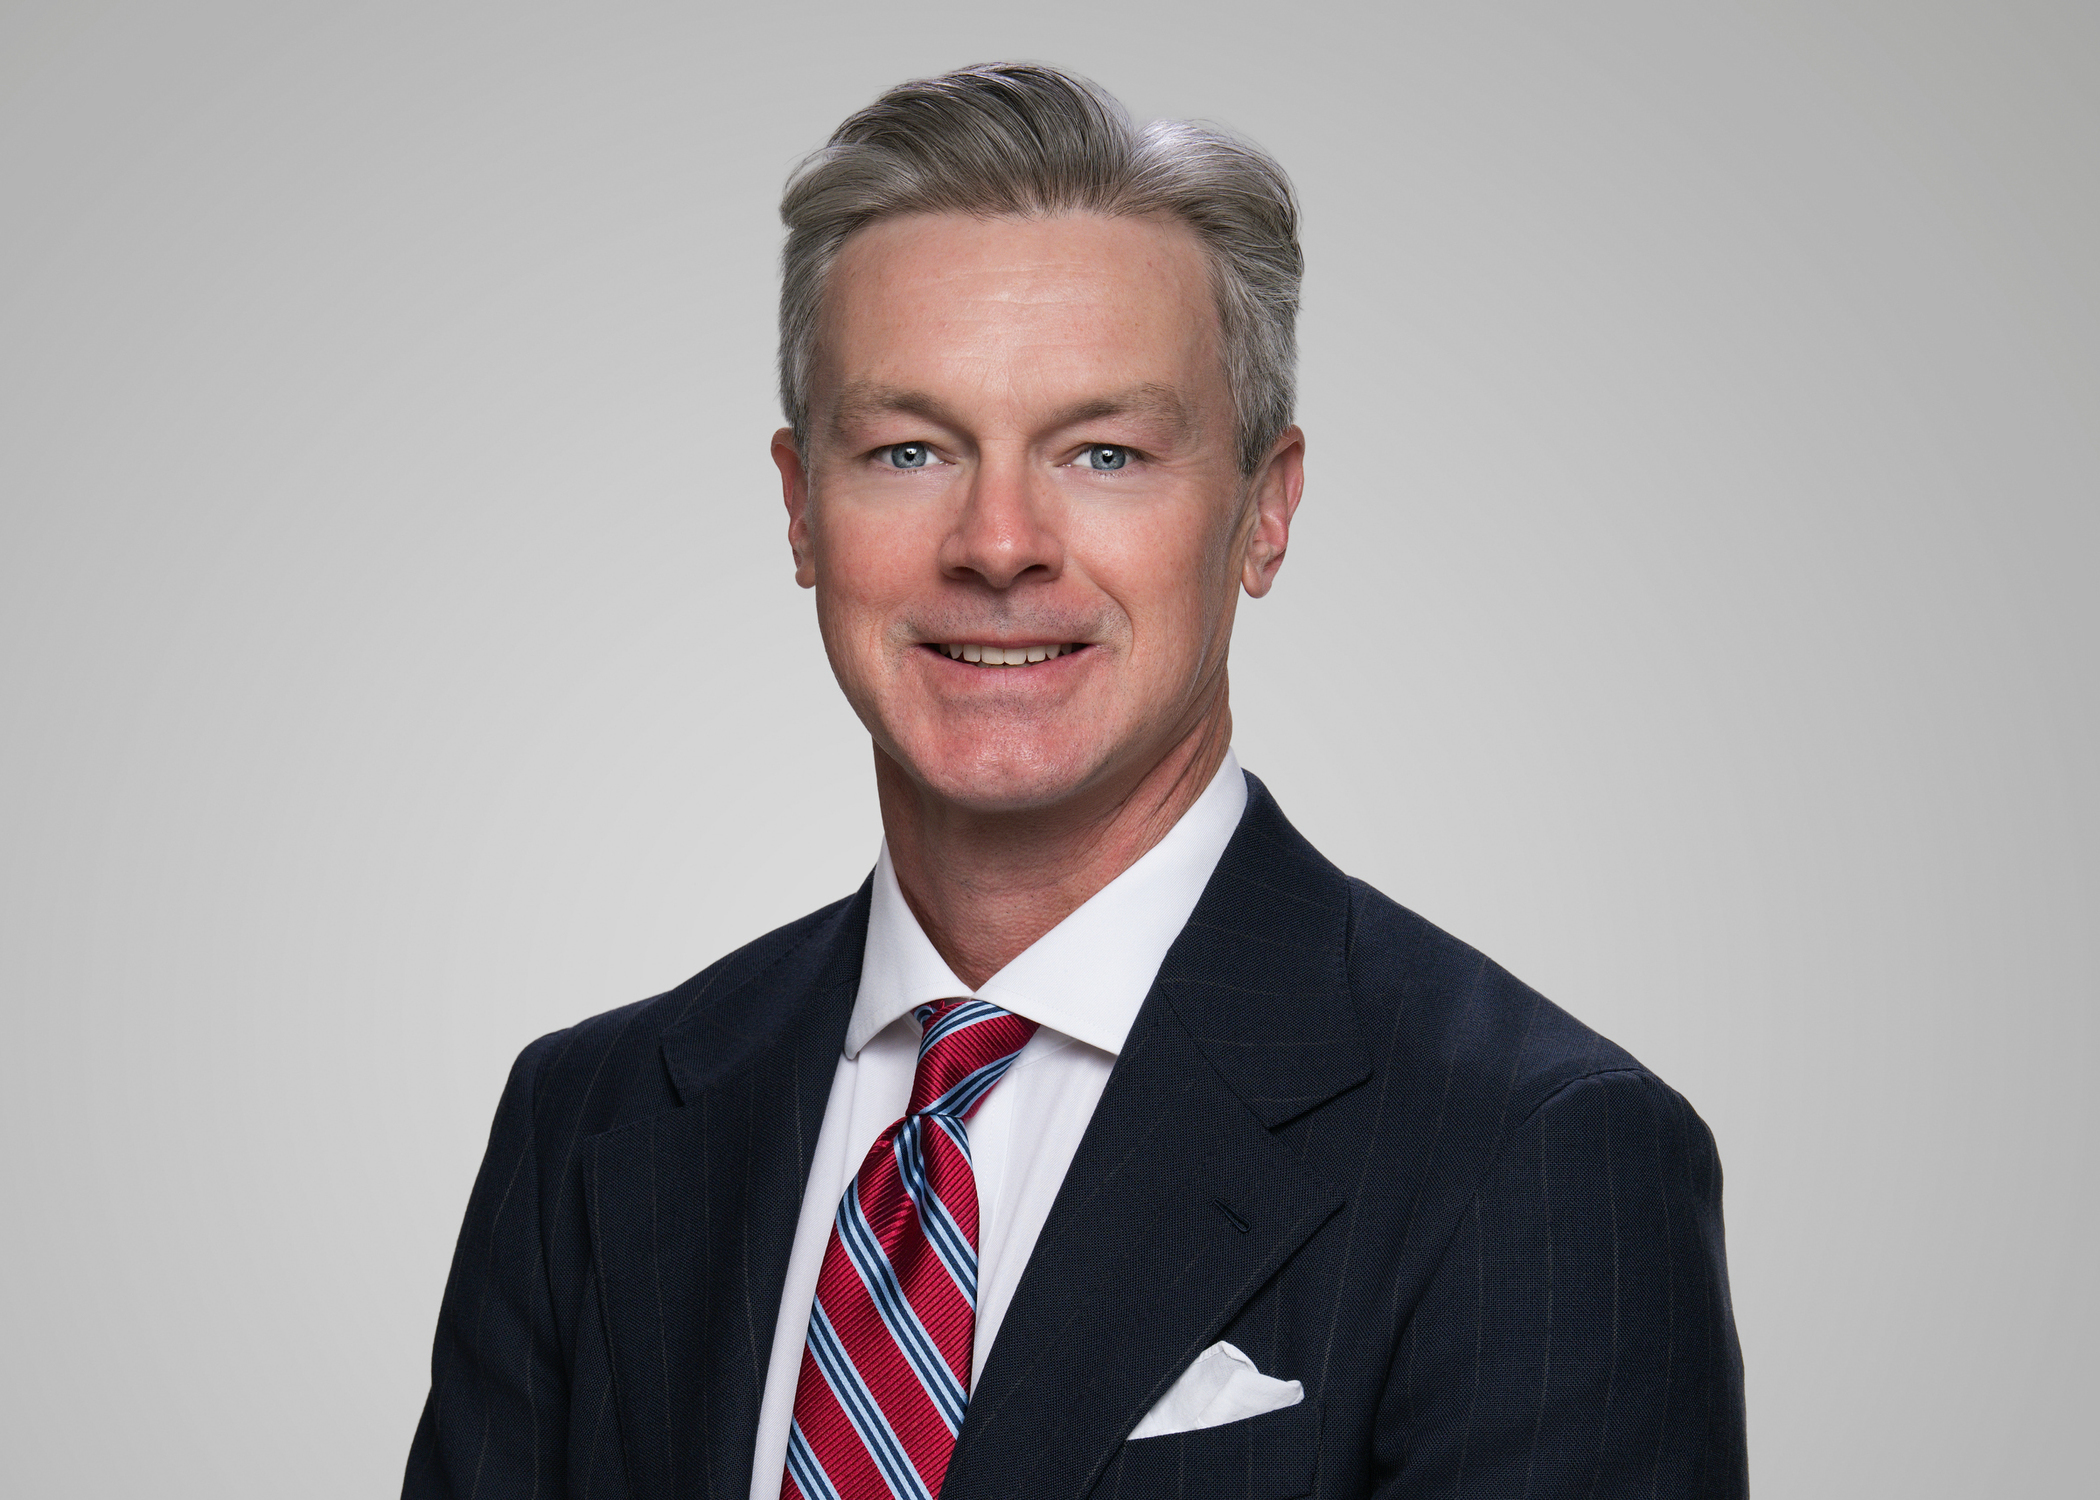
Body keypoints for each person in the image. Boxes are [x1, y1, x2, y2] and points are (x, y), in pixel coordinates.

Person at [403, 62, 1748, 1500]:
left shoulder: (1534, 1153)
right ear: (800, 508)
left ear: (1265, 511)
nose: (998, 543)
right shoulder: (591, 1125)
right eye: (908, 450)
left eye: (1105, 452)